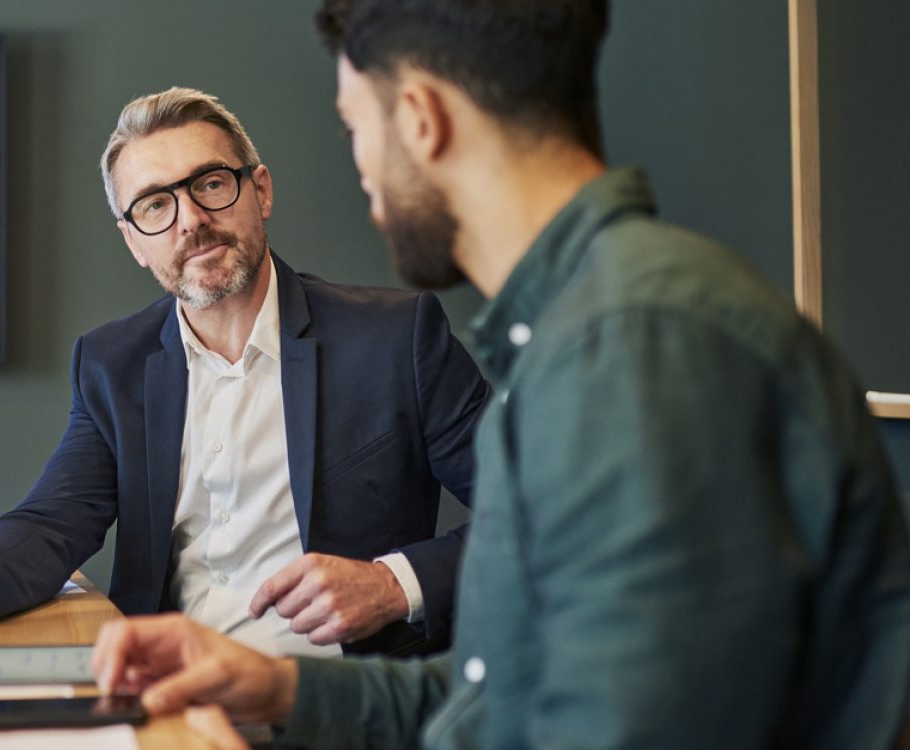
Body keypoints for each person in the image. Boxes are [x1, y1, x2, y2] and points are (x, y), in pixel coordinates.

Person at [90, 1, 910, 747]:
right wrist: (277, 685)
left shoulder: (639, 347)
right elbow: (509, 689)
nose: (363, 174)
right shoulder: (585, 327)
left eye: (352, 128)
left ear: (420, 118)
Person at [0, 87, 490, 658]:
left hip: (342, 703)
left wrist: (390, 583)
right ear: (135, 242)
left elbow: (537, 511)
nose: (190, 219)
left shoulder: (395, 339)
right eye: (155, 205)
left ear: (261, 190)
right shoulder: (113, 364)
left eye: (211, 184)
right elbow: (55, 520)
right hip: (170, 697)